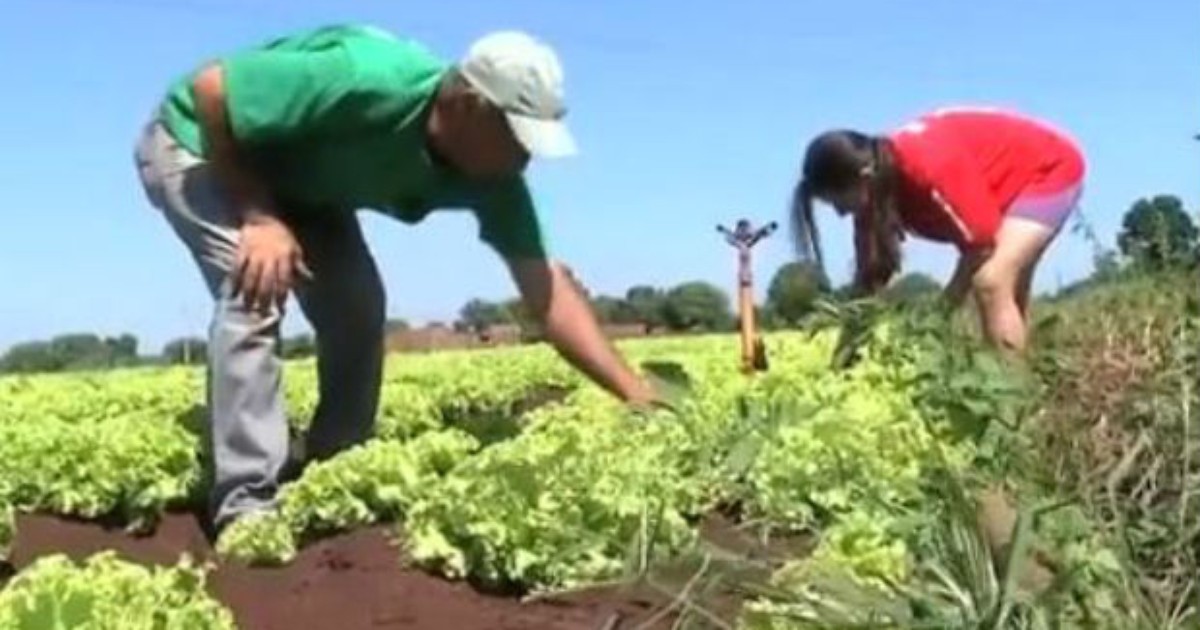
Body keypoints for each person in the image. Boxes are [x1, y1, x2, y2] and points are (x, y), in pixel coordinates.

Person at [133, 23, 665, 534]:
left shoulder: (496, 179)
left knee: (358, 306)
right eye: (517, 137)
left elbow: (548, 296)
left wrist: (635, 395)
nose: (524, 158)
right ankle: (246, 503)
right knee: (255, 284)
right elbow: (214, 88)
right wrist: (259, 215)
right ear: (468, 103)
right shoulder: (367, 78)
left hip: (305, 182)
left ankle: (335, 464)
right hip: (203, 145)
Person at [790, 106, 1086, 352]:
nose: (842, 214)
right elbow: (868, 282)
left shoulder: (927, 164)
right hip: (1001, 188)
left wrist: (942, 310)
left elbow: (981, 244)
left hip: (1047, 169)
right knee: (1003, 290)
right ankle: (1018, 380)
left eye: (840, 201)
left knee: (992, 280)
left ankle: (1010, 405)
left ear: (863, 176)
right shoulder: (873, 194)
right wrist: (844, 355)